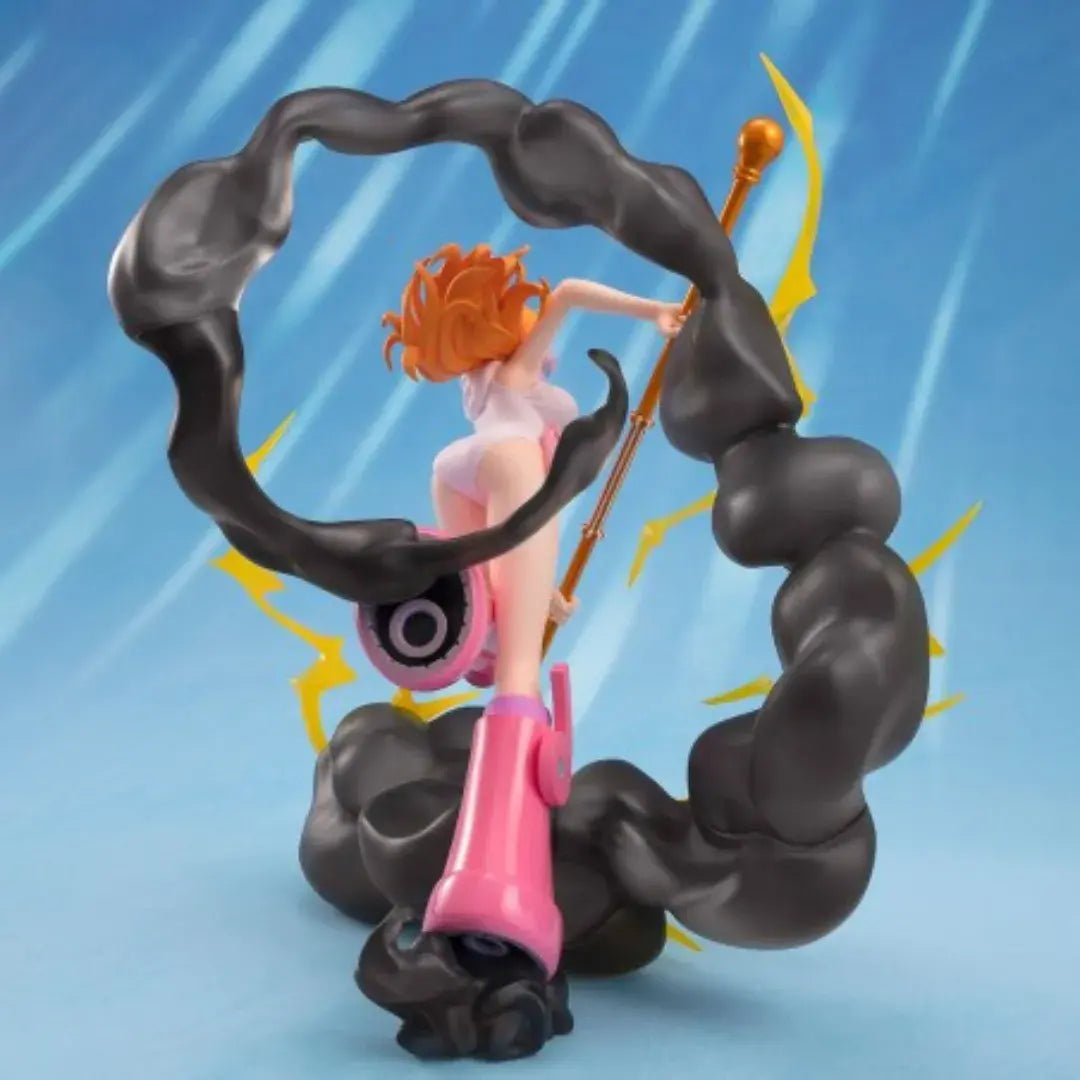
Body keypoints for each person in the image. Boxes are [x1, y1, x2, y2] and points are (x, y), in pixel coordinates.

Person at [382, 241, 684, 699]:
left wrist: (542, 594)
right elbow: (567, 293)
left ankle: (486, 652)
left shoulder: (484, 386)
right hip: (506, 459)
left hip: (453, 475)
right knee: (519, 665)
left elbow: (511, 562)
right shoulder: (515, 375)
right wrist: (655, 310)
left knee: (486, 601)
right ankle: (516, 716)